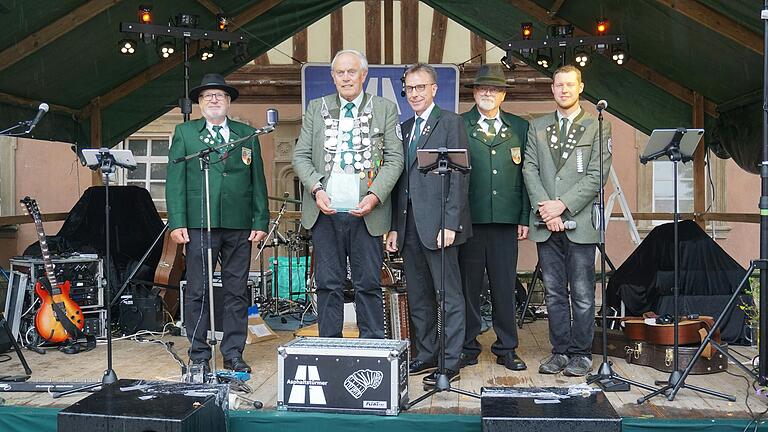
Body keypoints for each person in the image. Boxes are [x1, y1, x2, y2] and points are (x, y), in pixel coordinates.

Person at [293, 49, 403, 339]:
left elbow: (395, 160)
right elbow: (301, 156)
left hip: (367, 212)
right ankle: (330, 346)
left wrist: (375, 195)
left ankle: (373, 348)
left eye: (351, 71)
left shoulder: (385, 108)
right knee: (328, 283)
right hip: (325, 212)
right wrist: (316, 188)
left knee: (368, 283)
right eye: (339, 72)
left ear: (363, 75)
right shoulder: (316, 108)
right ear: (332, 77)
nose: (345, 77)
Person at [166, 73, 269, 374]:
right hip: (200, 223)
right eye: (207, 95)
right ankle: (199, 354)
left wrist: (259, 218)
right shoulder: (185, 133)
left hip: (239, 225)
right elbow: (175, 181)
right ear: (199, 103)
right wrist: (177, 222)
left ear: (228, 101)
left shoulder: (245, 133)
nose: (213, 99)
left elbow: (257, 180)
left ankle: (233, 353)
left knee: (236, 291)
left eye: (219, 95)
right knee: (198, 290)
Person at [522, 64, 612, 377]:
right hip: (546, 223)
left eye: (569, 85)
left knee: (584, 294)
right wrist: (546, 210)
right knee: (554, 293)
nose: (564, 90)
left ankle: (581, 353)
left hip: (581, 223)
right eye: (559, 85)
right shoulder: (538, 126)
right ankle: (559, 351)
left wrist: (562, 205)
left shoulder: (596, 125)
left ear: (580, 87)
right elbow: (529, 169)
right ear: (552, 89)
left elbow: (597, 174)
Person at [386, 63, 471, 385]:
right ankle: (426, 353)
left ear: (434, 89)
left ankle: (450, 361)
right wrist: (395, 226)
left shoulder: (451, 122)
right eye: (410, 88)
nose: (415, 94)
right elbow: (400, 183)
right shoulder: (404, 128)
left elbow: (460, 177)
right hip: (408, 228)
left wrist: (450, 223)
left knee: (447, 295)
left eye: (421, 87)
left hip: (439, 228)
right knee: (419, 296)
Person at [459, 64, 529, 371]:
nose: (488, 93)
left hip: (505, 220)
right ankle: (468, 345)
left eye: (494, 89)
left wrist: (525, 217)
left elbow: (529, 176)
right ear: (474, 92)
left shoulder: (520, 127)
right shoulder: (459, 124)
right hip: (469, 219)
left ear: (502, 94)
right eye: (483, 89)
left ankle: (507, 347)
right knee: (468, 287)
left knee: (504, 285)